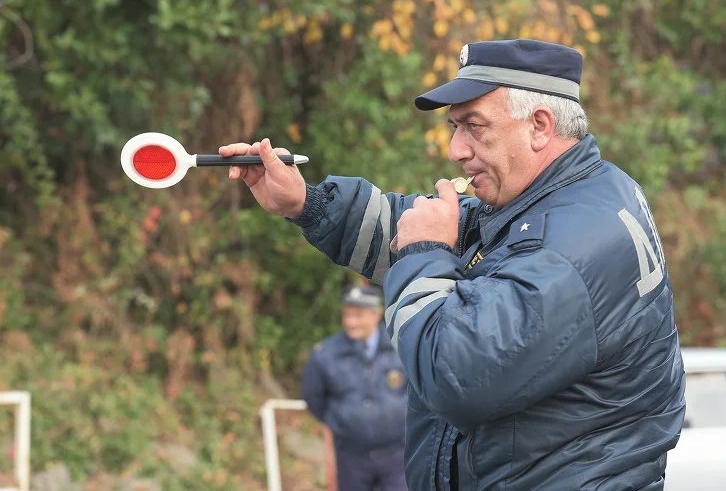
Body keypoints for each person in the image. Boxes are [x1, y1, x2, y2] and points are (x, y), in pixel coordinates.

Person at [223, 39, 686, 490]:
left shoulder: (565, 249)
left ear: (540, 126)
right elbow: (434, 228)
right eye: (454, 128)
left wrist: (424, 255)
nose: (457, 150)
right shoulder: (567, 195)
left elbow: (454, 373)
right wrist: (306, 203)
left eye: (475, 126)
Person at [300, 284, 409, 491]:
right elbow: (313, 397)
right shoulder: (325, 354)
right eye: (347, 315)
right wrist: (341, 421)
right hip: (351, 456)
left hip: (397, 455)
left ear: (376, 314)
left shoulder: (401, 345)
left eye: (358, 315)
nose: (351, 322)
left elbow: (418, 392)